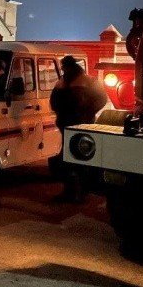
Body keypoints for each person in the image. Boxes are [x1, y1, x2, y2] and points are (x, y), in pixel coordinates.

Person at [49, 55, 108, 203]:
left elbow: (101, 99)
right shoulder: (65, 82)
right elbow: (54, 103)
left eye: (64, 66)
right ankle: (74, 191)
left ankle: (78, 192)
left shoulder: (83, 81)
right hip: (70, 125)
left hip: (80, 125)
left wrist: (87, 113)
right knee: (73, 158)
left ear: (69, 66)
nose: (63, 69)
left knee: (79, 157)